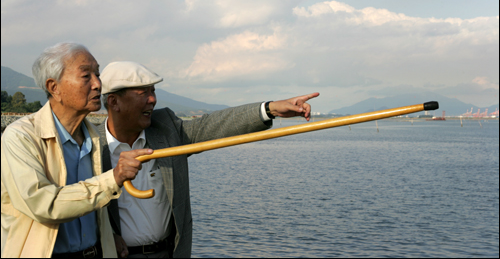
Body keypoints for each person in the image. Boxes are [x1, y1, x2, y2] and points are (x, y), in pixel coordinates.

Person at [98, 61, 319, 258]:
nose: (153, 99)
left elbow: (214, 124)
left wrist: (270, 109)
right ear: (114, 102)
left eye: (153, 91)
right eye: (142, 93)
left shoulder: (166, 129)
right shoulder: (90, 147)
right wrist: (108, 235)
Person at [1, 43, 153, 258]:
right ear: (54, 87)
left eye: (98, 74)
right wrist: (114, 178)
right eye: (86, 76)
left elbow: (92, 205)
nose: (98, 84)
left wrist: (110, 235)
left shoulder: (94, 138)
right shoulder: (20, 137)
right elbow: (43, 204)